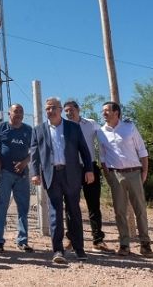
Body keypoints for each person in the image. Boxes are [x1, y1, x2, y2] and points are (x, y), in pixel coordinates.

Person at [29, 97, 94, 265]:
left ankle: (79, 248)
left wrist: (89, 169)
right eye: (47, 109)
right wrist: (35, 173)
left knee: (74, 212)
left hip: (72, 174)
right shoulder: (38, 130)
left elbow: (84, 150)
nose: (50, 111)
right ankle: (58, 250)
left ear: (59, 109)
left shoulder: (73, 127)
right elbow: (34, 155)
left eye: (53, 108)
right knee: (54, 213)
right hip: (52, 176)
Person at [97, 101, 153, 257]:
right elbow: (102, 156)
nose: (104, 113)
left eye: (107, 110)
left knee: (140, 210)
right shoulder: (101, 132)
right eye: (103, 111)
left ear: (116, 113)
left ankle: (145, 244)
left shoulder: (129, 128)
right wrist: (108, 175)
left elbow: (142, 150)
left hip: (134, 173)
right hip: (115, 175)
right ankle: (124, 244)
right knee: (119, 211)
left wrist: (144, 172)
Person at [63, 100, 110, 252]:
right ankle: (72, 239)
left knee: (93, 205)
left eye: (71, 110)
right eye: (66, 111)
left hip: (90, 167)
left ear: (78, 109)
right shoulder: (62, 126)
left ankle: (98, 240)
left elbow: (105, 134)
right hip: (71, 170)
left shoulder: (90, 124)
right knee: (71, 205)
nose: (69, 113)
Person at [0, 104, 33, 253]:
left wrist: (25, 162)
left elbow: (35, 149)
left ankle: (22, 241)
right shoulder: (1, 128)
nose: (18, 114)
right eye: (15, 111)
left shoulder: (28, 130)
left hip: (22, 175)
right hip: (5, 173)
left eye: (21, 111)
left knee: (23, 209)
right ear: (9, 113)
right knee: (1, 207)